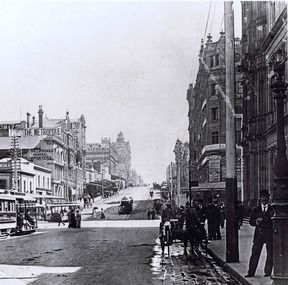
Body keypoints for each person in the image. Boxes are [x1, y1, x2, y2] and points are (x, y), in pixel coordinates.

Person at [245, 189, 274, 278]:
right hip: (259, 234)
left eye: (266, 197)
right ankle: (251, 272)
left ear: (269, 198)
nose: (264, 199)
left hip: (269, 234)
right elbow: (251, 222)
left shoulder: (272, 209)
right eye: (263, 197)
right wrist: (256, 221)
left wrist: (264, 220)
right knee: (255, 253)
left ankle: (268, 272)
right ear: (260, 198)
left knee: (270, 253)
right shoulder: (256, 210)